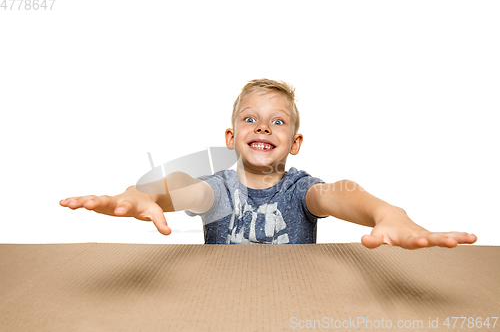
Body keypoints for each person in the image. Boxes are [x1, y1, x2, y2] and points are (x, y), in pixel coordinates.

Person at [60, 79, 477, 249]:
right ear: (231, 138)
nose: (262, 127)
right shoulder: (219, 190)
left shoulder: (300, 190)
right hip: (220, 308)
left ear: (294, 143)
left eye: (277, 121)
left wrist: (387, 213)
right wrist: (141, 195)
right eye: (250, 119)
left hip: (291, 307)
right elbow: (185, 186)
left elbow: (338, 194)